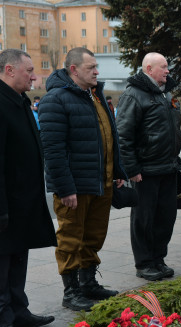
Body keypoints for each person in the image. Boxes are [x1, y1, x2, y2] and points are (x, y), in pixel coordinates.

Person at [39, 47, 128, 311]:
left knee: (93, 236)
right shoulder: (56, 99)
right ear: (74, 70)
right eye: (91, 68)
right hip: (74, 187)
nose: (97, 72)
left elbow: (110, 137)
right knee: (70, 238)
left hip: (101, 183)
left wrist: (118, 172)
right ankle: (71, 291)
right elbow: (53, 150)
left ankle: (88, 283)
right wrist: (65, 188)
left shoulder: (96, 96)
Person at [0, 49, 57, 327]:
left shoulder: (17, 100)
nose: (34, 76)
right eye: (29, 71)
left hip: (22, 200)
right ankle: (1, 319)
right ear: (10, 70)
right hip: (1, 203)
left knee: (17, 257)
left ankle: (18, 311)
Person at [116, 52, 180, 279]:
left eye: (167, 66)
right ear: (149, 69)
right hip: (145, 171)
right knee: (144, 219)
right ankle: (144, 263)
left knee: (165, 218)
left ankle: (158, 259)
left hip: (167, 168)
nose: (168, 70)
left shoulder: (166, 93)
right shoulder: (133, 95)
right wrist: (131, 169)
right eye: (163, 67)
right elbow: (123, 136)